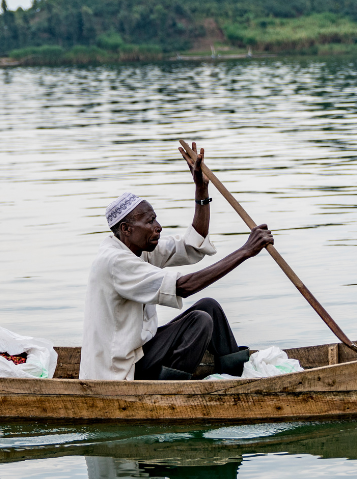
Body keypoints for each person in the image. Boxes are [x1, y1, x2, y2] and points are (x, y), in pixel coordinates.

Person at [79, 142, 274, 381]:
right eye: (150, 222)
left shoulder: (139, 249)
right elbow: (183, 286)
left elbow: (192, 244)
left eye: (155, 219)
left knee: (209, 307)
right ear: (127, 229)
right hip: (117, 372)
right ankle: (169, 391)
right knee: (199, 322)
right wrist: (245, 251)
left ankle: (236, 377)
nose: (158, 227)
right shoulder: (114, 262)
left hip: (140, 353)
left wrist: (201, 190)